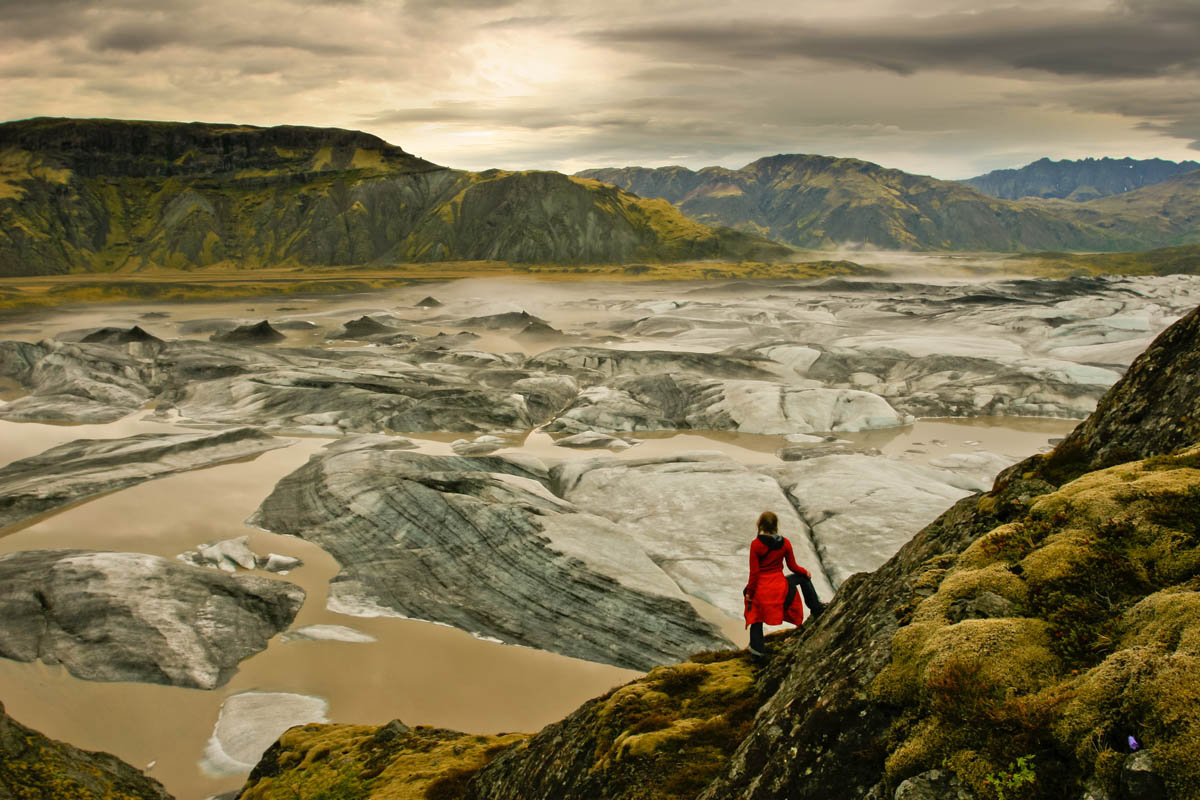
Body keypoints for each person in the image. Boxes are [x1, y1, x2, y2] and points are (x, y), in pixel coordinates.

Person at [742, 510, 821, 659]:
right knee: (803, 578)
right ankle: (816, 608)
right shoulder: (785, 543)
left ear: (760, 525)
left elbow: (754, 574)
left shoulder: (756, 545)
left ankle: (757, 652)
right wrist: (805, 572)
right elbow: (793, 567)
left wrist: (749, 593)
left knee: (756, 616)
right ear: (776, 525)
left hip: (763, 589)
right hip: (781, 587)